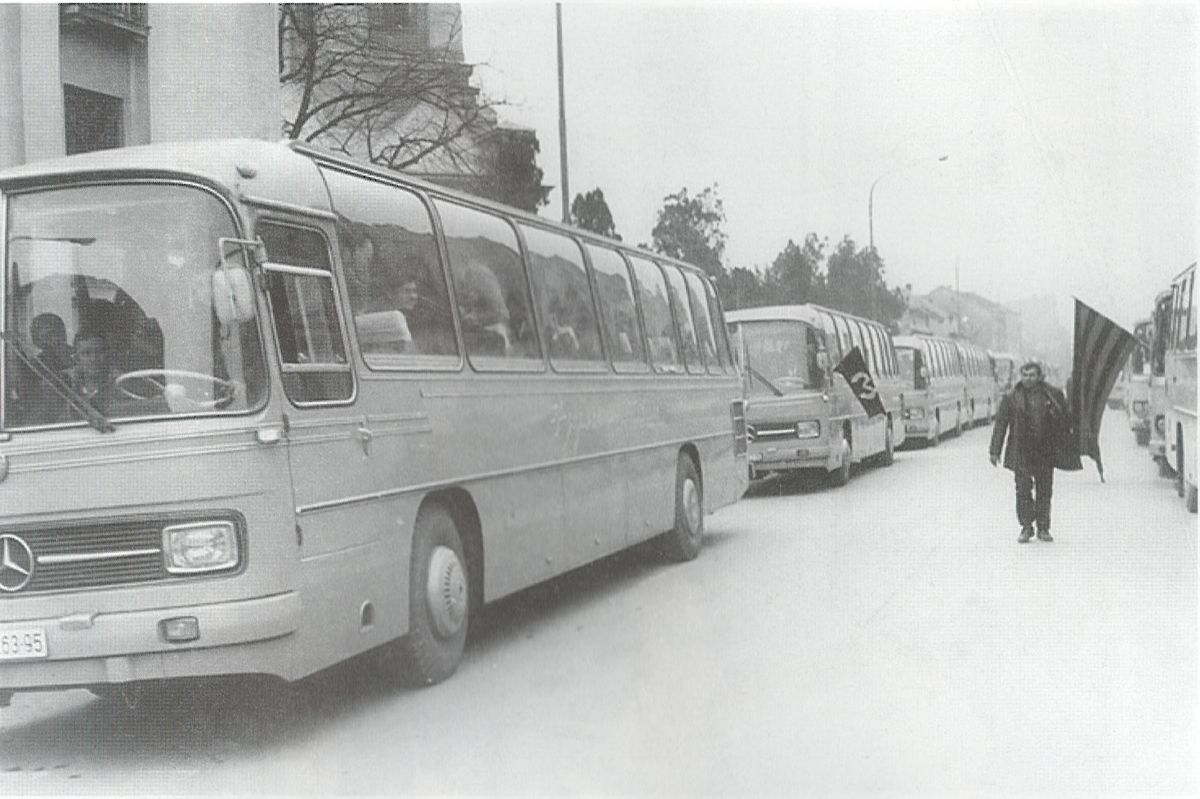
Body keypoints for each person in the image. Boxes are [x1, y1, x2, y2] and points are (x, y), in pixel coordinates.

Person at [989, 360, 1074, 543]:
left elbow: (1065, 419)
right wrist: (994, 450)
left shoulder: (1052, 395)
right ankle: (1026, 527)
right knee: (1023, 491)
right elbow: (1001, 424)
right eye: (1025, 375)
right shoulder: (1011, 397)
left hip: (1044, 450)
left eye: (1032, 375)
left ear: (1039, 376)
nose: (1028, 379)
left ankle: (1043, 527)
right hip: (1021, 451)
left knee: (1044, 490)